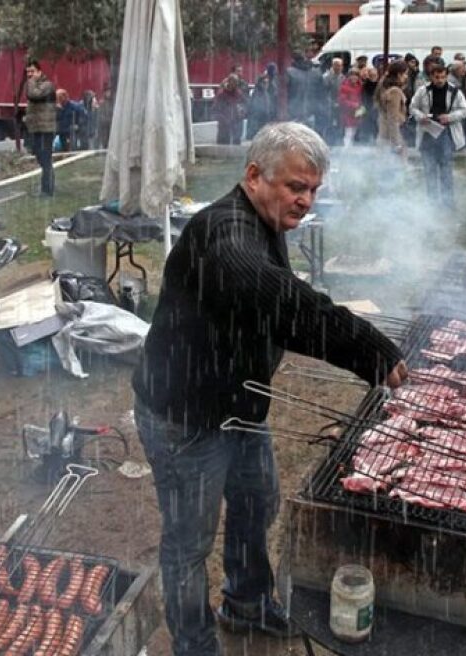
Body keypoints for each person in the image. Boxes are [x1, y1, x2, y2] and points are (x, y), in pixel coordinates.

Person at [132, 122, 406, 656]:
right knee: (189, 542)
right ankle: (194, 643)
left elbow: (280, 304)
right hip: (185, 416)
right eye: (295, 187)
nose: (305, 201)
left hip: (239, 404)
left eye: (313, 190)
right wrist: (369, 349)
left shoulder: (263, 224)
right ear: (254, 176)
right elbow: (281, 302)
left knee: (257, 502)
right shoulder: (224, 234)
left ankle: (247, 601)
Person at [410, 64, 466, 209]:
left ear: (446, 76)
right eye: (437, 77)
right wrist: (420, 116)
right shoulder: (422, 91)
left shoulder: (455, 92)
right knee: (429, 170)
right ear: (431, 77)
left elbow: (464, 110)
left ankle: (448, 203)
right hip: (427, 133)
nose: (440, 80)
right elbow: (412, 107)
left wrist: (449, 117)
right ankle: (432, 203)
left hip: (446, 134)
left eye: (443, 77)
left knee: (446, 170)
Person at [23, 60, 57, 196]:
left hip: (46, 129)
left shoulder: (47, 85)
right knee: (41, 157)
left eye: (32, 71)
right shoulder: (34, 86)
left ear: (39, 71)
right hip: (36, 129)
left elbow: (33, 95)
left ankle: (47, 190)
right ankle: (47, 187)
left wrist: (30, 82)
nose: (30, 75)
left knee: (45, 158)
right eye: (28, 72)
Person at [376, 62, 409, 156]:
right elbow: (393, 118)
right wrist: (396, 143)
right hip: (390, 137)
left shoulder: (385, 87)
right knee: (397, 167)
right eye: (405, 73)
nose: (406, 76)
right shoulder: (395, 92)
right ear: (399, 74)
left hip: (384, 134)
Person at [214, 75, 247, 145]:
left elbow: (245, 104)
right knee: (223, 146)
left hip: (236, 125)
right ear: (229, 82)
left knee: (236, 147)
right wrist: (223, 119)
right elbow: (216, 110)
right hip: (224, 127)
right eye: (233, 82)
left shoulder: (238, 93)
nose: (235, 85)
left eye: (236, 83)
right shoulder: (222, 94)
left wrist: (242, 111)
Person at [338, 68, 364, 146]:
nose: (354, 78)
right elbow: (342, 100)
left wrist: (361, 107)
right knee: (348, 132)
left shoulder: (360, 86)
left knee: (354, 131)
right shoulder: (344, 86)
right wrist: (353, 104)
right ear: (349, 76)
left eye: (356, 76)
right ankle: (346, 150)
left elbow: (362, 98)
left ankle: (351, 148)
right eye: (352, 75)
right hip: (348, 112)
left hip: (358, 112)